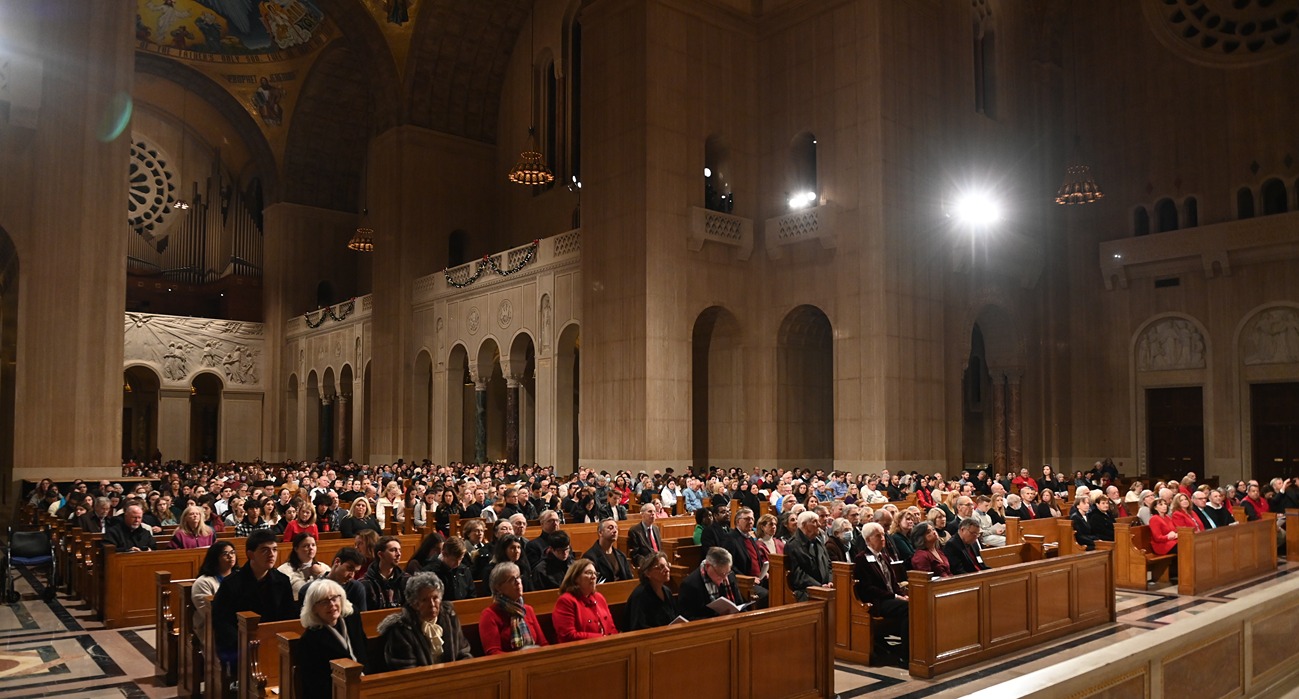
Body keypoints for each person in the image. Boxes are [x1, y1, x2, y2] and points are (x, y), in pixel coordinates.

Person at [211, 530, 295, 668]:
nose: (271, 554)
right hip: (239, 644)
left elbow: (288, 615)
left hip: (273, 641)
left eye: (274, 550)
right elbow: (222, 621)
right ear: (250, 554)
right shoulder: (231, 583)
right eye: (264, 550)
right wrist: (244, 642)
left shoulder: (282, 580)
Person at [376, 572, 472, 671]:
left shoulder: (450, 617)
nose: (432, 604)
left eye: (435, 598)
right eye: (425, 600)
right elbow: (406, 669)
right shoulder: (401, 629)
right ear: (414, 604)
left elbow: (463, 652)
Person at [296, 579, 369, 697]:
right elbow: (314, 685)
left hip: (363, 683)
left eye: (334, 598)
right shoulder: (310, 640)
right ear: (314, 608)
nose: (332, 605)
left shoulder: (352, 617)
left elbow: (363, 649)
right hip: (334, 692)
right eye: (324, 602)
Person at [853, 522, 908, 667]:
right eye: (878, 536)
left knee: (914, 603)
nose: (883, 538)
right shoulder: (861, 559)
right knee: (907, 608)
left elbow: (893, 581)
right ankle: (906, 654)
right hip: (877, 601)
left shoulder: (883, 556)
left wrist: (901, 594)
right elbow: (868, 588)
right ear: (868, 540)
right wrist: (895, 597)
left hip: (891, 598)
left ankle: (915, 648)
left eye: (883, 535)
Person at [478, 562, 549, 654]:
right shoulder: (490, 615)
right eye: (511, 579)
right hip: (510, 665)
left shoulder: (528, 610)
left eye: (518, 577)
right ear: (498, 587)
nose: (518, 582)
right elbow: (493, 652)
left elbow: (543, 643)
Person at [552, 559, 619, 643]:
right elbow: (568, 635)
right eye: (589, 573)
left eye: (595, 573)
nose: (594, 577)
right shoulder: (566, 601)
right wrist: (602, 638)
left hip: (605, 646)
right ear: (575, 577)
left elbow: (611, 628)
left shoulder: (599, 598)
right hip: (580, 651)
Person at [678, 547, 745, 620]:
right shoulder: (690, 585)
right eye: (720, 574)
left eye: (727, 573)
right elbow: (687, 618)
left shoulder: (729, 576)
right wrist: (716, 619)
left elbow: (739, 603)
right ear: (707, 566)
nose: (724, 578)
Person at [191, 540, 237, 642]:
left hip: (238, 623)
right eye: (225, 554)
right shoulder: (203, 582)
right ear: (215, 558)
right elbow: (210, 614)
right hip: (212, 629)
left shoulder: (240, 576)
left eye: (233, 552)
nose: (231, 556)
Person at [300, 547, 368, 613]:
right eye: (349, 568)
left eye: (355, 572)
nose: (352, 575)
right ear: (337, 562)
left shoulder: (357, 588)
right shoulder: (309, 589)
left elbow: (362, 619)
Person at [784, 511, 832, 601]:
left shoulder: (818, 541)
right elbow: (798, 575)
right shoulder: (793, 545)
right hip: (806, 590)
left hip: (826, 588)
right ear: (804, 525)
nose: (819, 524)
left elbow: (829, 564)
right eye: (814, 522)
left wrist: (830, 581)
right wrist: (819, 587)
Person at [624, 552, 679, 630]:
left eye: (667, 565)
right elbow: (638, 627)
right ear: (647, 573)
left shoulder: (667, 591)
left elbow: (674, 617)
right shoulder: (640, 595)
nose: (667, 570)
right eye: (661, 567)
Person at [278, 532, 330, 600]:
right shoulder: (284, 571)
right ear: (296, 549)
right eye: (306, 546)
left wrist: (321, 574)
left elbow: (332, 589)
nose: (311, 548)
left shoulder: (324, 567)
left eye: (313, 545)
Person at [364, 535, 410, 610]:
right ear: (380, 554)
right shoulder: (365, 583)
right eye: (393, 550)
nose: (399, 554)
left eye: (399, 550)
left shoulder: (406, 579)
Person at [424, 536, 476, 601]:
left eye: (460, 559)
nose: (457, 563)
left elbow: (472, 595)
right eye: (453, 560)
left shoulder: (464, 570)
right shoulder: (432, 572)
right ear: (444, 554)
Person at [583, 518, 633, 582]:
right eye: (610, 528)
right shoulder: (589, 557)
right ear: (600, 533)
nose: (615, 531)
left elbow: (629, 579)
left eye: (616, 528)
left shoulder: (621, 555)